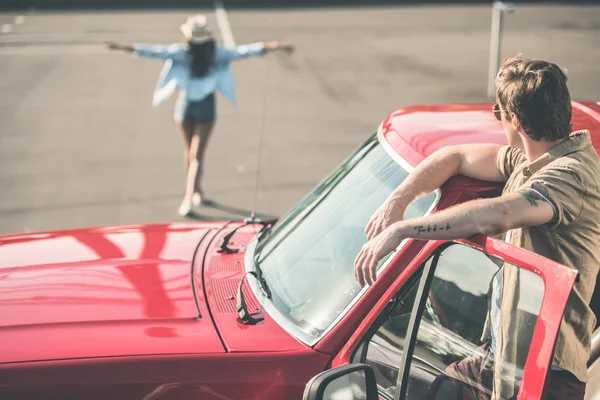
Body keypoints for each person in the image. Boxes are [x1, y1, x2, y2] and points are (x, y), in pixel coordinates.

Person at [354, 54, 600, 399]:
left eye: (499, 113)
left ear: (514, 119)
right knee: (437, 390)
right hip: (504, 350)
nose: (499, 120)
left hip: (546, 369)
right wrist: (398, 199)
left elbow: (496, 215)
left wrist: (404, 229)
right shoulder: (532, 160)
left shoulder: (570, 176)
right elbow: (454, 157)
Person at [106, 14, 294, 217]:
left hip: (184, 105)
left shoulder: (182, 53)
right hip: (205, 107)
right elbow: (244, 52)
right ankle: (193, 194)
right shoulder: (216, 54)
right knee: (195, 155)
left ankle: (192, 195)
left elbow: (154, 52)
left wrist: (122, 47)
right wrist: (275, 45)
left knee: (191, 154)